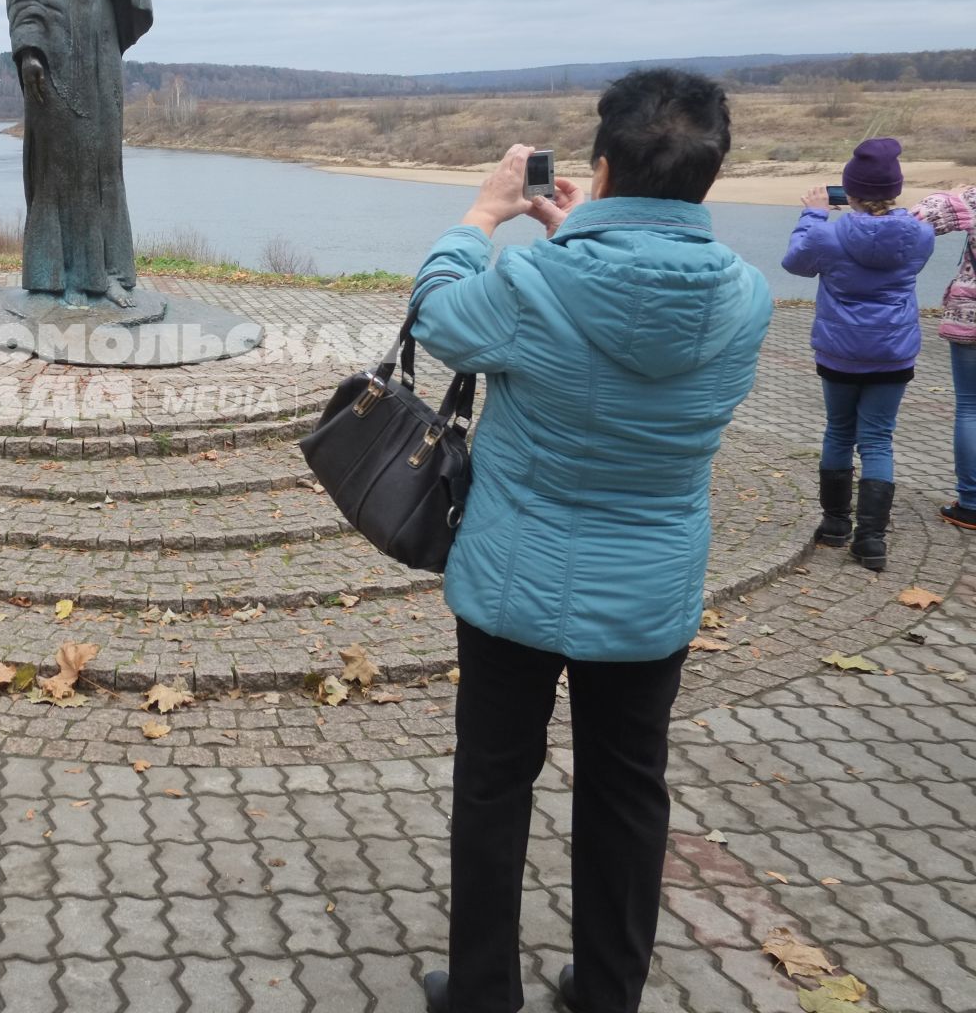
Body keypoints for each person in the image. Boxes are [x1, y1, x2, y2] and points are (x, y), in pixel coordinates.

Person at [409, 69, 772, 1013]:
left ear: (601, 165)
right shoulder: (745, 295)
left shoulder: (534, 280)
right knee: (627, 788)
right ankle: (609, 988)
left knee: (494, 782)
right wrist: (589, 234)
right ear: (707, 176)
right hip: (651, 587)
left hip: (512, 581)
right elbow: (641, 316)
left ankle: (484, 989)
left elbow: (440, 314)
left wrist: (481, 216)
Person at [5, 0, 153, 307]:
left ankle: (107, 273)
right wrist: (28, 48)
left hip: (101, 43)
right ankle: (56, 277)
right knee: (61, 162)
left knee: (103, 157)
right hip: (54, 45)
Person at [781, 138, 933, 570]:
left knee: (838, 432)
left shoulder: (827, 233)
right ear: (895, 191)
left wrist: (813, 213)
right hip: (893, 352)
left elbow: (795, 263)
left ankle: (834, 525)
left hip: (840, 352)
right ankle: (870, 542)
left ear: (848, 193)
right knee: (879, 440)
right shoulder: (920, 235)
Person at [907, 177, 976, 529]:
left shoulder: (973, 199)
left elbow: (917, 219)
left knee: (970, 407)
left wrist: (956, 194)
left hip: (972, 317)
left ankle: (972, 503)